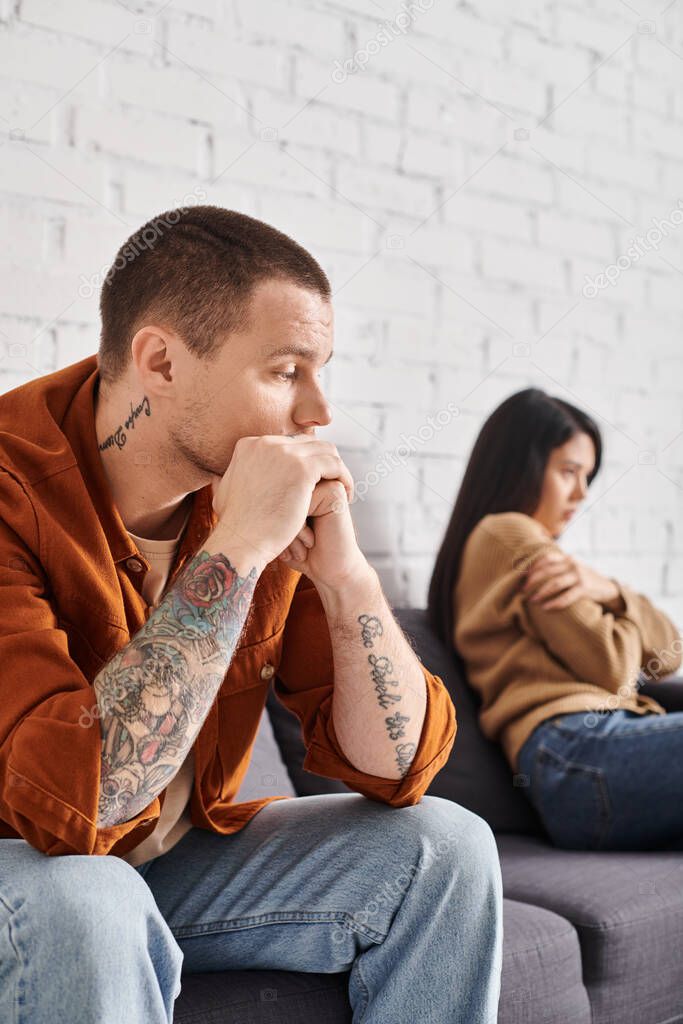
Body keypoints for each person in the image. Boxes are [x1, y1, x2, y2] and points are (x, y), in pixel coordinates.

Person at [0, 206, 503, 1023]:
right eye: (285, 370)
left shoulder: (250, 492)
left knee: (444, 848)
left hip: (163, 862)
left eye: (321, 370)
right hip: (27, 864)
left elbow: (398, 768)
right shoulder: (15, 487)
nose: (318, 411)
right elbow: (77, 806)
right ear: (160, 361)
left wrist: (346, 581)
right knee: (88, 901)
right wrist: (232, 553)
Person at [427, 387, 683, 852]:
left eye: (587, 476)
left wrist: (608, 590)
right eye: (569, 472)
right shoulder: (510, 535)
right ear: (520, 466)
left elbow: (672, 651)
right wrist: (621, 617)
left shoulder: (548, 560)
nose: (581, 493)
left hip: (584, 758)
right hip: (580, 752)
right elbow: (614, 668)